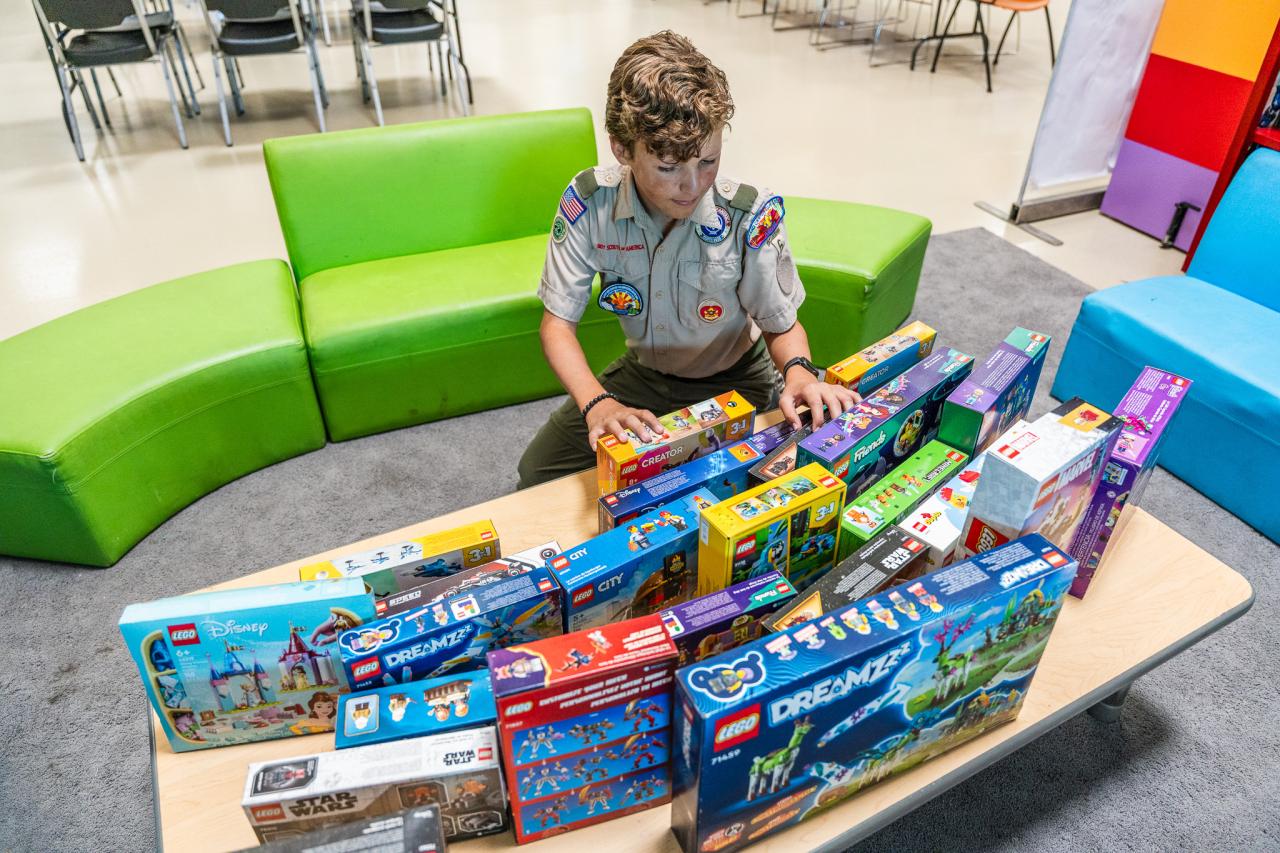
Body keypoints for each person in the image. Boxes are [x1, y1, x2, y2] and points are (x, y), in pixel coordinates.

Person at [517, 31, 859, 489]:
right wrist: (597, 403)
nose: (692, 185)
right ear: (622, 148)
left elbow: (781, 325)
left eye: (708, 161)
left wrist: (799, 373)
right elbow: (557, 325)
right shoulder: (589, 203)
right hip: (643, 377)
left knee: (742, 486)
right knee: (538, 473)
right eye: (668, 167)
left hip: (738, 377)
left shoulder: (748, 215)